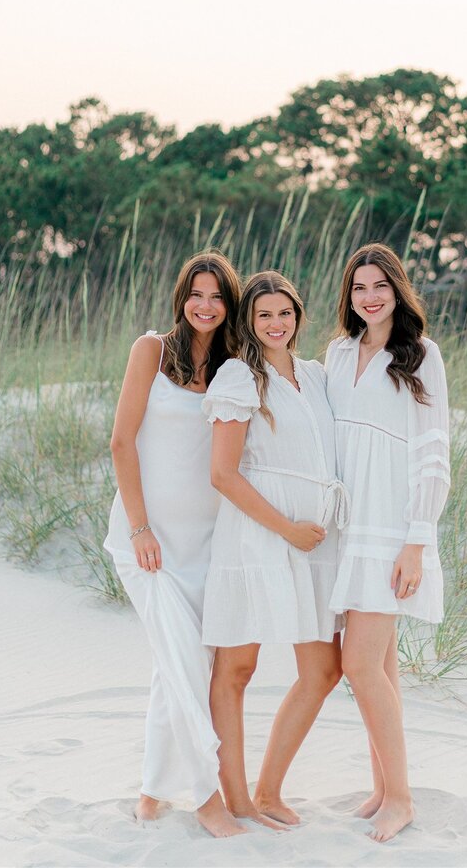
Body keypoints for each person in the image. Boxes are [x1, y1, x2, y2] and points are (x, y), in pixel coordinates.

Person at [104, 249, 244, 839]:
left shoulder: (236, 367)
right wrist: (140, 528)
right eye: (196, 294)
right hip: (149, 544)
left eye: (216, 297)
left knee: (180, 665)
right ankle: (207, 799)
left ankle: (151, 792)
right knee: (184, 667)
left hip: (208, 545)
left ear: (229, 305)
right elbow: (121, 442)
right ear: (181, 297)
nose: (205, 306)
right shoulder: (151, 351)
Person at [201, 271, 349, 827]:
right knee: (238, 666)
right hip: (259, 534)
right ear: (249, 321)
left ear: (298, 315)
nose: (275, 323)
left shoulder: (315, 375)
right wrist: (286, 528)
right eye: (264, 314)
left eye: (284, 313)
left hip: (316, 543)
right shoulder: (240, 377)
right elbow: (222, 473)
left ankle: (268, 791)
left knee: (324, 669)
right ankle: (237, 799)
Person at [325, 243, 450, 843]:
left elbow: (433, 453)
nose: (369, 297)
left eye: (380, 285)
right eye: (359, 287)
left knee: (358, 665)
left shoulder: (421, 355)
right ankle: (382, 787)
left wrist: (416, 541)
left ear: (398, 290)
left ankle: (401, 798)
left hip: (389, 530)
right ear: (348, 296)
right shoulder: (337, 353)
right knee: (381, 666)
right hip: (346, 530)